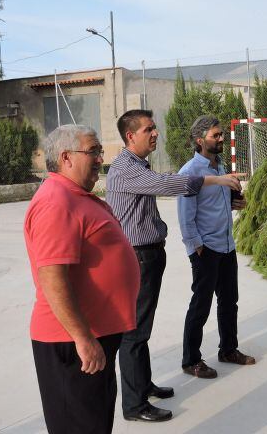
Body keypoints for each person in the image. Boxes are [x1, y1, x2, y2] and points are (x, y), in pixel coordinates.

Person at [106, 109, 243, 422]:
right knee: (134, 332)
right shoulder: (126, 168)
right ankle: (135, 405)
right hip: (137, 256)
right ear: (131, 136)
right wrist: (214, 180)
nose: (156, 133)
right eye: (149, 129)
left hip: (150, 254)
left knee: (143, 328)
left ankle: (144, 385)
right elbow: (169, 185)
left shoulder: (139, 164)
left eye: (154, 128)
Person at [24, 125, 140, 433]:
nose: (101, 158)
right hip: (72, 342)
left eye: (100, 151)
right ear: (66, 158)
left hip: (92, 336)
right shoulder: (56, 202)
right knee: (79, 425)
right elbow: (52, 277)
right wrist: (83, 337)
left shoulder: (74, 196)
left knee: (95, 421)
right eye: (93, 151)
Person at [178, 115, 256, 379]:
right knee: (200, 305)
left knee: (229, 302)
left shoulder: (221, 168)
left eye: (222, 134)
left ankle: (228, 350)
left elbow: (216, 203)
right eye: (216, 135)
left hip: (226, 246)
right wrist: (196, 248)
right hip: (206, 249)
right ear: (200, 141)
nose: (221, 138)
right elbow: (186, 217)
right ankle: (191, 360)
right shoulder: (190, 172)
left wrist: (236, 203)